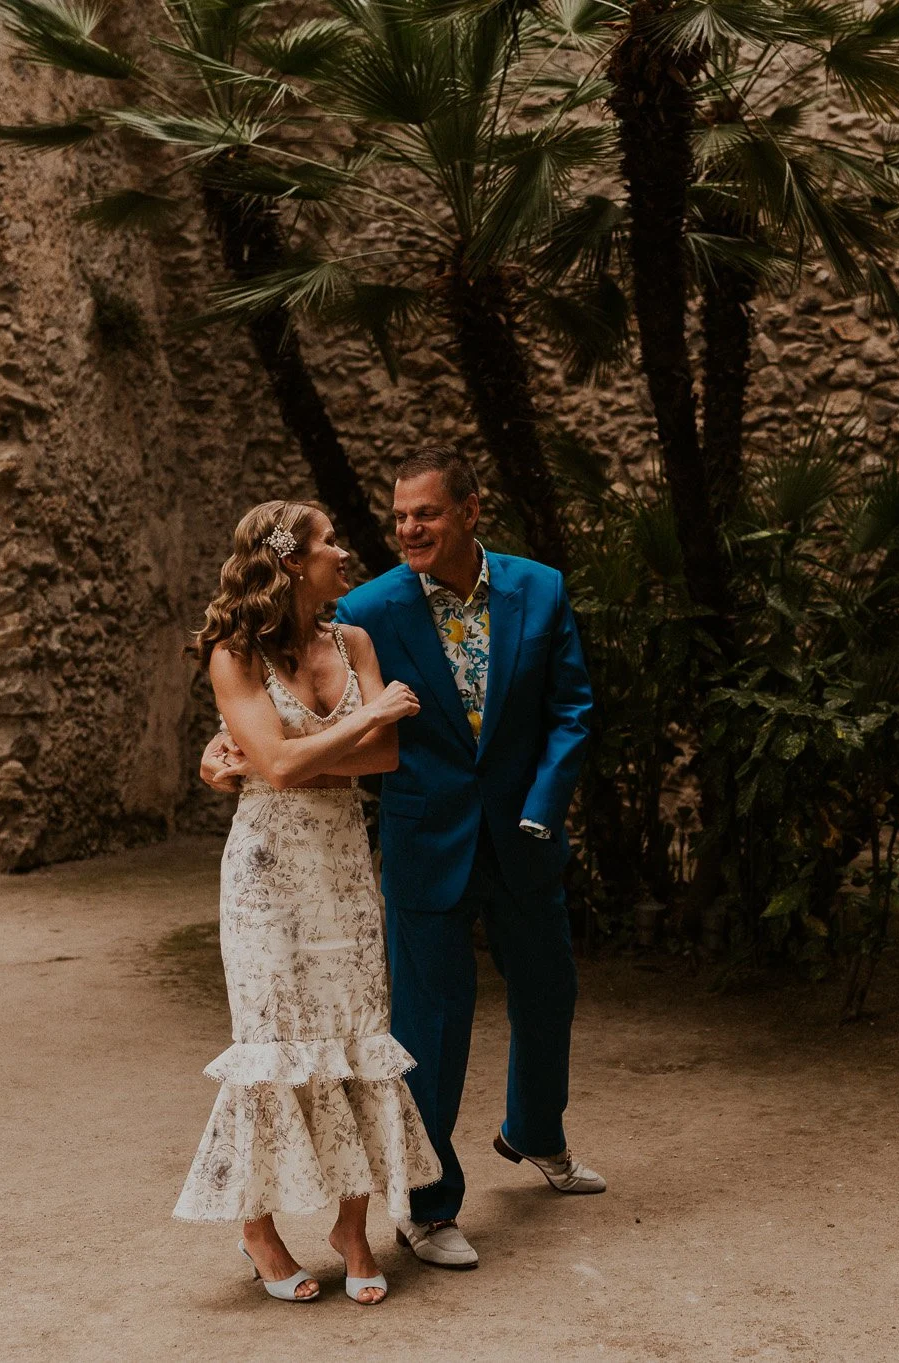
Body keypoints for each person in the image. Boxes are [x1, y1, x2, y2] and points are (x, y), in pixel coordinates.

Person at [203, 445, 604, 1273]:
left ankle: (535, 1132)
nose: (408, 530)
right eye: (399, 517)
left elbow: (571, 707)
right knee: (431, 1024)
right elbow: (279, 688)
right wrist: (220, 753)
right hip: (422, 839)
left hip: (523, 836)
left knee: (550, 990)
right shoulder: (372, 606)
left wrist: (541, 807)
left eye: (426, 513)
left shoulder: (541, 587)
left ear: (469, 511)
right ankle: (428, 1205)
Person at [173, 499, 442, 1307]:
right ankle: (258, 1229)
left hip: (344, 868)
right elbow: (291, 767)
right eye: (329, 542)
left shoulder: (352, 640)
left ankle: (352, 1228)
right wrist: (359, 720)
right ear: (291, 561)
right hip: (265, 874)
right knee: (270, 1044)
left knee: (356, 1040)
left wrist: (273, 758)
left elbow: (384, 756)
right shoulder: (234, 653)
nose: (346, 551)